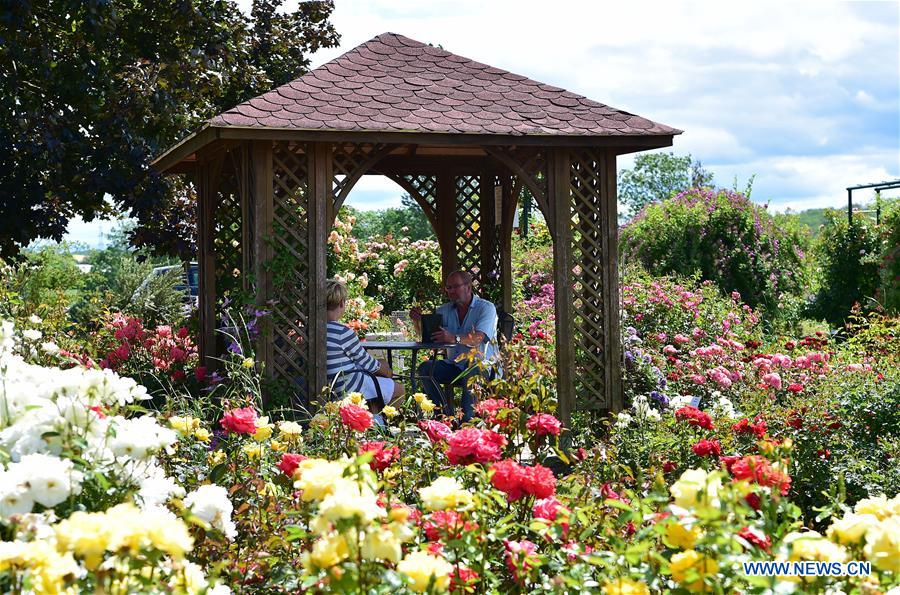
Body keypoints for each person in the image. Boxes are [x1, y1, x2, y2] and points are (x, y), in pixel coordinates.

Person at [412, 270, 497, 422]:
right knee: (425, 368)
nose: (451, 291)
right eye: (448, 288)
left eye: (455, 287)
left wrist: (453, 338)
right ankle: (445, 418)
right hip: (455, 365)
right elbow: (429, 337)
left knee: (474, 370)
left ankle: (466, 424)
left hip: (482, 366)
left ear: (468, 287)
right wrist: (419, 322)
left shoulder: (486, 308)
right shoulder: (443, 310)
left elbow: (478, 338)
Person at [326, 279, 403, 412]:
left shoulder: (312, 330)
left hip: (327, 383)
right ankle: (378, 424)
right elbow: (370, 366)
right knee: (398, 390)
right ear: (341, 303)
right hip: (346, 386)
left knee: (380, 370)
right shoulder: (342, 333)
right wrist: (387, 371)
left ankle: (370, 420)